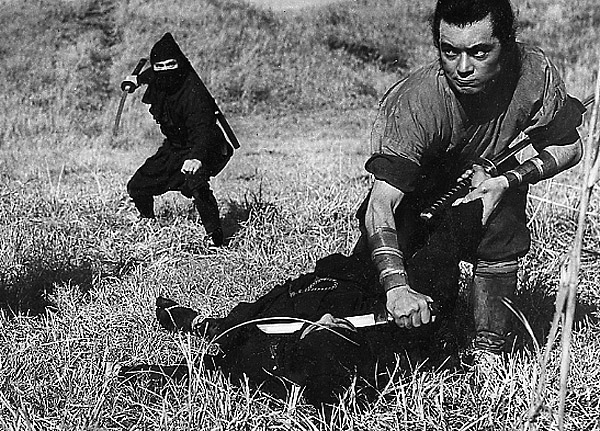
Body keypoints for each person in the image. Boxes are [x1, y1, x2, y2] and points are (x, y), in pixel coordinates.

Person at [353, 0, 585, 355]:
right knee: (385, 315)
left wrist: (507, 181)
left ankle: (489, 348)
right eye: (450, 52)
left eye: (479, 52)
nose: (462, 68)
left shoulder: (534, 72)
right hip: (418, 197)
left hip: (487, 182)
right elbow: (380, 204)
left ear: (505, 45)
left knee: (503, 213)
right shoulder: (416, 101)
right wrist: (396, 286)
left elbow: (570, 147)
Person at [121, 32, 233, 247]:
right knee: (138, 186)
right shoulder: (160, 77)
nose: (165, 70)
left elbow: (203, 130)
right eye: (160, 66)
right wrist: (138, 79)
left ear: (179, 63)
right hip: (175, 147)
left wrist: (197, 158)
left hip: (205, 146)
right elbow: (153, 74)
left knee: (196, 183)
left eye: (170, 64)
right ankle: (148, 222)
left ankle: (216, 239)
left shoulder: (194, 93)